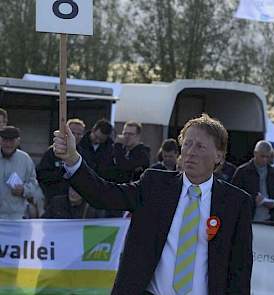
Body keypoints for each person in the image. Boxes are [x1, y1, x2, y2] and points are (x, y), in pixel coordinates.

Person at [53, 113, 253, 295]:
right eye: (187, 144)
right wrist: (72, 159)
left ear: (219, 155)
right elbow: (103, 195)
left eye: (200, 146)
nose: (190, 152)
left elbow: (240, 270)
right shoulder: (154, 185)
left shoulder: (236, 203)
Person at [36, 118, 86, 208]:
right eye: (73, 133)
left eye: (79, 134)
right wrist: (61, 174)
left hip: (77, 205)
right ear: (66, 133)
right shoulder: (52, 152)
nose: (76, 136)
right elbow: (41, 175)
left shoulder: (83, 155)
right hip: (54, 203)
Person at [232, 140, 274, 222]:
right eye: (262, 156)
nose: (265, 160)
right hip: (247, 218)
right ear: (255, 153)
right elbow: (233, 195)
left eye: (267, 157)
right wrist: (253, 200)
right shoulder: (242, 171)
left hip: (270, 219)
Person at [0, 126, 42, 219]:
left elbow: (34, 185)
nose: (8, 144)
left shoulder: (25, 159)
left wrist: (23, 190)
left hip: (17, 217)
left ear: (18, 141)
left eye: (11, 141)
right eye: (5, 140)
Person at [42, 186, 108, 219]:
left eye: (77, 191)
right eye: (71, 189)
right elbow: (43, 222)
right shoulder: (57, 203)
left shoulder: (92, 208)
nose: (73, 193)